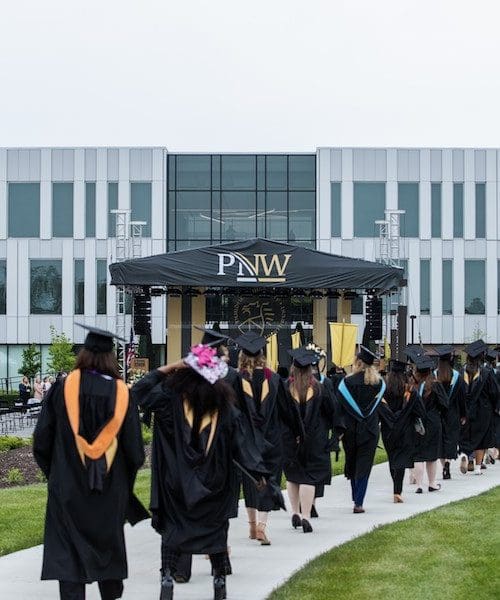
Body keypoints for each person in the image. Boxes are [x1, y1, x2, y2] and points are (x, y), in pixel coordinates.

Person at [131, 342, 275, 600]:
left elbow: (138, 393)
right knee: (216, 534)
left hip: (176, 486)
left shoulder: (169, 400)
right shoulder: (225, 408)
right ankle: (219, 581)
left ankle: (167, 576)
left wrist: (168, 368)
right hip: (215, 485)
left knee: (173, 532)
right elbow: (243, 446)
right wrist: (260, 475)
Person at [33, 324, 147, 600]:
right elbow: (135, 452)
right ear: (110, 358)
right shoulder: (122, 394)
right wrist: (122, 485)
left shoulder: (62, 387)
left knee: (70, 560)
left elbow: (41, 442)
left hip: (67, 491)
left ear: (83, 354)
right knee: (107, 553)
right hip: (109, 493)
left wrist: (58, 475)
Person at [234, 331, 286, 545]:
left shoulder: (236, 379)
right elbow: (285, 409)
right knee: (269, 480)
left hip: (246, 440)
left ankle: (252, 526)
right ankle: (263, 526)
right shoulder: (273, 379)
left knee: (250, 481)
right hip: (271, 438)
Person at [281, 347, 341, 532]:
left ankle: (294, 512)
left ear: (293, 368)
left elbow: (279, 415)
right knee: (309, 478)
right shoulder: (320, 388)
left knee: (293, 476)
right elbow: (333, 413)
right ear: (310, 369)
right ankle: (306, 515)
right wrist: (335, 435)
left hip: (291, 440)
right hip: (314, 440)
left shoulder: (284, 387)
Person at [336, 346, 385, 513]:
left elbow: (340, 409)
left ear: (357, 362)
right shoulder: (378, 384)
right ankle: (359, 501)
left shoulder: (346, 383)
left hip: (350, 431)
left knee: (352, 462)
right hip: (370, 432)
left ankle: (355, 496)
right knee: (364, 466)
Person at [379, 360, 425, 502]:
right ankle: (397, 491)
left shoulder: (383, 391)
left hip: (388, 431)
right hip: (405, 431)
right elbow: (421, 412)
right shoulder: (410, 391)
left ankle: (396, 488)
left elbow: (379, 410)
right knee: (400, 461)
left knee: (393, 459)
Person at [459, 340, 499, 475]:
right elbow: (494, 392)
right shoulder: (486, 372)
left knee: (467, 435)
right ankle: (477, 467)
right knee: (481, 438)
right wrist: (494, 406)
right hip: (483, 410)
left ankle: (465, 455)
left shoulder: (462, 372)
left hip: (466, 408)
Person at [411, 355, 448, 493]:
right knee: (432, 456)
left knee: (418, 455)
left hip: (417, 422)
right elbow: (445, 404)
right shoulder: (435, 384)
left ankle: (419, 485)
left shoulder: (413, 386)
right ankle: (432, 483)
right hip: (433, 421)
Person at [433, 346, 467, 479]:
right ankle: (447, 463)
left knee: (441, 442)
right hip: (453, 414)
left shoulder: (434, 375)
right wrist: (463, 414)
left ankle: (443, 466)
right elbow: (461, 398)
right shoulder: (457, 376)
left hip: (438, 413)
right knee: (451, 440)